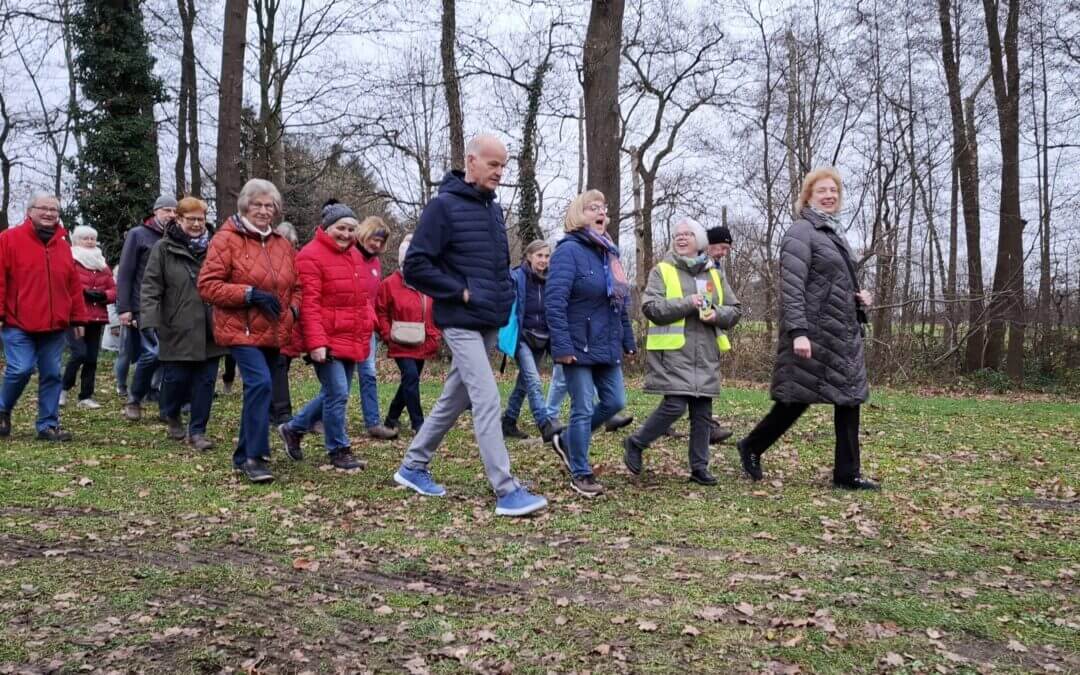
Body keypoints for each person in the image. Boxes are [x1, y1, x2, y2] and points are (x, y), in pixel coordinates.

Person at [392, 133, 548, 517]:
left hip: (490, 320)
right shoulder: (442, 207)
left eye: (503, 166)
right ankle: (506, 489)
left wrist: (505, 294)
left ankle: (413, 465)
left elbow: (493, 266)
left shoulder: (493, 210)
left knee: (454, 397)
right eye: (493, 164)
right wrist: (459, 292)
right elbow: (415, 265)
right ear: (471, 161)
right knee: (487, 398)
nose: (499, 172)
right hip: (459, 320)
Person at [737, 167, 879, 491]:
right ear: (809, 197)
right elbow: (792, 287)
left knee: (849, 399)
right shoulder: (801, 232)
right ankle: (752, 446)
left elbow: (831, 281)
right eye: (822, 191)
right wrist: (798, 332)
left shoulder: (834, 233)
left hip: (841, 333)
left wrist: (859, 297)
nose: (829, 196)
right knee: (794, 399)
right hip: (812, 333)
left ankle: (847, 474)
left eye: (833, 191)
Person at [622, 218, 742, 485]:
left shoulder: (714, 273)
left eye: (688, 234)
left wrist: (716, 315)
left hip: (705, 353)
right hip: (673, 352)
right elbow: (651, 308)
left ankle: (699, 467)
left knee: (702, 412)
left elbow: (734, 311)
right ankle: (637, 442)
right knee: (675, 406)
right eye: (678, 234)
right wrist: (688, 303)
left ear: (699, 240)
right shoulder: (661, 271)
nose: (682, 238)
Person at [198, 179, 299, 484]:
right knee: (261, 385)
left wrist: (292, 312)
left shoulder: (283, 244)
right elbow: (207, 286)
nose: (264, 211)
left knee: (260, 389)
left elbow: (299, 286)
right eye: (258, 204)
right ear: (245, 205)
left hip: (273, 329)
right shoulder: (226, 240)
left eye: (270, 206)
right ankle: (255, 456)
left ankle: (244, 455)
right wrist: (249, 294)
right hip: (239, 329)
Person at [545, 189, 636, 497]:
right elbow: (554, 302)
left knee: (615, 403)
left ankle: (569, 440)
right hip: (576, 346)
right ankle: (581, 472)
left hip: (606, 344)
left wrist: (627, 337)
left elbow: (618, 303)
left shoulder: (609, 252)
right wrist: (562, 347)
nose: (601, 212)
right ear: (578, 215)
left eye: (603, 207)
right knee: (582, 408)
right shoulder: (567, 251)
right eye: (592, 207)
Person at [278, 204, 372, 470]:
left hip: (351, 336)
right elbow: (310, 305)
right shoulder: (309, 256)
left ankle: (294, 429)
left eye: (351, 229)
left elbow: (361, 300)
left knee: (334, 394)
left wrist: (367, 327)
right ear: (327, 227)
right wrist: (317, 342)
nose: (345, 234)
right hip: (325, 339)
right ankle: (338, 449)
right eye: (340, 228)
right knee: (338, 393)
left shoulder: (355, 256)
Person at [0, 192, 88, 441]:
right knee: (21, 368)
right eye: (44, 208)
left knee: (52, 373)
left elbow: (72, 283)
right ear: (30, 211)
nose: (49, 213)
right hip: (18, 322)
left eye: (54, 210)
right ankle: (2, 408)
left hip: (54, 325)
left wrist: (78, 317)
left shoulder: (63, 244)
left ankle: (48, 425)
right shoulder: (8, 239)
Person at [140, 197, 226, 451]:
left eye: (201, 219)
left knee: (206, 382)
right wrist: (149, 320)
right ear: (178, 219)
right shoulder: (163, 249)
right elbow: (151, 285)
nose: (197, 224)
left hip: (211, 327)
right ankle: (172, 414)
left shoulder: (217, 247)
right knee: (176, 379)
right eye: (191, 219)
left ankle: (198, 430)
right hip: (176, 325)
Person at [117, 195, 176, 420]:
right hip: (144, 305)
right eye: (166, 210)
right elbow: (126, 272)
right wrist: (125, 307)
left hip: (171, 306)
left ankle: (161, 396)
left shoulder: (175, 236)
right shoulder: (138, 235)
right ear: (155, 212)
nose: (170, 215)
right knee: (152, 352)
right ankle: (134, 398)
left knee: (168, 354)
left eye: (174, 211)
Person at [375, 234, 441, 434]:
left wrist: (434, 335)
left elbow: (435, 312)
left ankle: (391, 418)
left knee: (409, 381)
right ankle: (418, 423)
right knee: (411, 377)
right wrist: (387, 335)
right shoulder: (389, 284)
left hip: (422, 341)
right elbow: (381, 311)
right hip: (399, 341)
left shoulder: (428, 283)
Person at [501, 240, 564, 445]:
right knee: (534, 380)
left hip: (543, 338)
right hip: (522, 337)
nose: (544, 260)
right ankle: (545, 425)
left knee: (524, 384)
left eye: (547, 256)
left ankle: (508, 421)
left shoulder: (553, 279)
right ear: (529, 256)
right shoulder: (516, 277)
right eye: (539, 256)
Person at [61, 226, 116, 409]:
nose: (90, 242)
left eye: (92, 238)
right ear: (76, 241)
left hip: (97, 316)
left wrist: (103, 296)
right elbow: (64, 285)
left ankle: (86, 396)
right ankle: (62, 388)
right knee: (79, 353)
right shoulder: (70, 260)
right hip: (75, 316)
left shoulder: (102, 263)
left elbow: (114, 289)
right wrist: (81, 293)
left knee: (91, 358)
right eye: (85, 238)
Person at [353, 214, 397, 440]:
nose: (376, 244)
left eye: (381, 242)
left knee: (369, 374)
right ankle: (316, 418)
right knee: (341, 379)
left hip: (367, 327)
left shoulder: (376, 263)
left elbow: (374, 297)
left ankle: (373, 422)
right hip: (347, 325)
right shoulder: (349, 255)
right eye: (374, 239)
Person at [270, 221, 300, 425]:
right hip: (269, 320)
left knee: (281, 366)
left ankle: (279, 410)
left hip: (288, 321)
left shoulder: (296, 261)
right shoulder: (266, 258)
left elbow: (299, 288)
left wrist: (293, 311)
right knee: (276, 367)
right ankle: (279, 410)